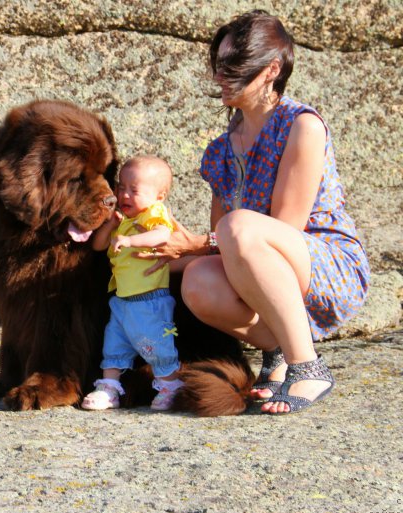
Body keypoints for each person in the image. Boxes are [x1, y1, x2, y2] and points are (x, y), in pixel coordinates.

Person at [141, 10, 370, 414]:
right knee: (197, 279)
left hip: (324, 262)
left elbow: (284, 229)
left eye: (234, 67)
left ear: (272, 70)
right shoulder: (220, 151)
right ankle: (277, 354)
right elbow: (220, 247)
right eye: (219, 66)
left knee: (238, 226)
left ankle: (308, 366)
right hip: (258, 258)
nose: (220, 78)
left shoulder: (302, 126)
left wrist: (198, 241)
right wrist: (158, 250)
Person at [81, 156, 183, 411]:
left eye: (134, 190)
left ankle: (171, 386)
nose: (124, 194)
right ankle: (109, 388)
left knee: (158, 346)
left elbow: (163, 235)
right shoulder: (123, 221)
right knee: (113, 345)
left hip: (150, 301)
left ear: (159, 196)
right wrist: (111, 227)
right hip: (122, 301)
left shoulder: (154, 214)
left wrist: (130, 241)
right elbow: (98, 245)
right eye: (121, 187)